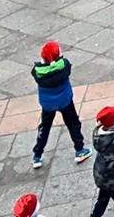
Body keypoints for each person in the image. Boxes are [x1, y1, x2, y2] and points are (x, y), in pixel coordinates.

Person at [29, 39, 91, 169]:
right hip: (65, 100)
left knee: (44, 127)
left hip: (47, 104)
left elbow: (37, 70)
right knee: (73, 123)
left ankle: (37, 155)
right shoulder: (64, 66)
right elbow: (65, 64)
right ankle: (80, 149)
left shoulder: (38, 72)